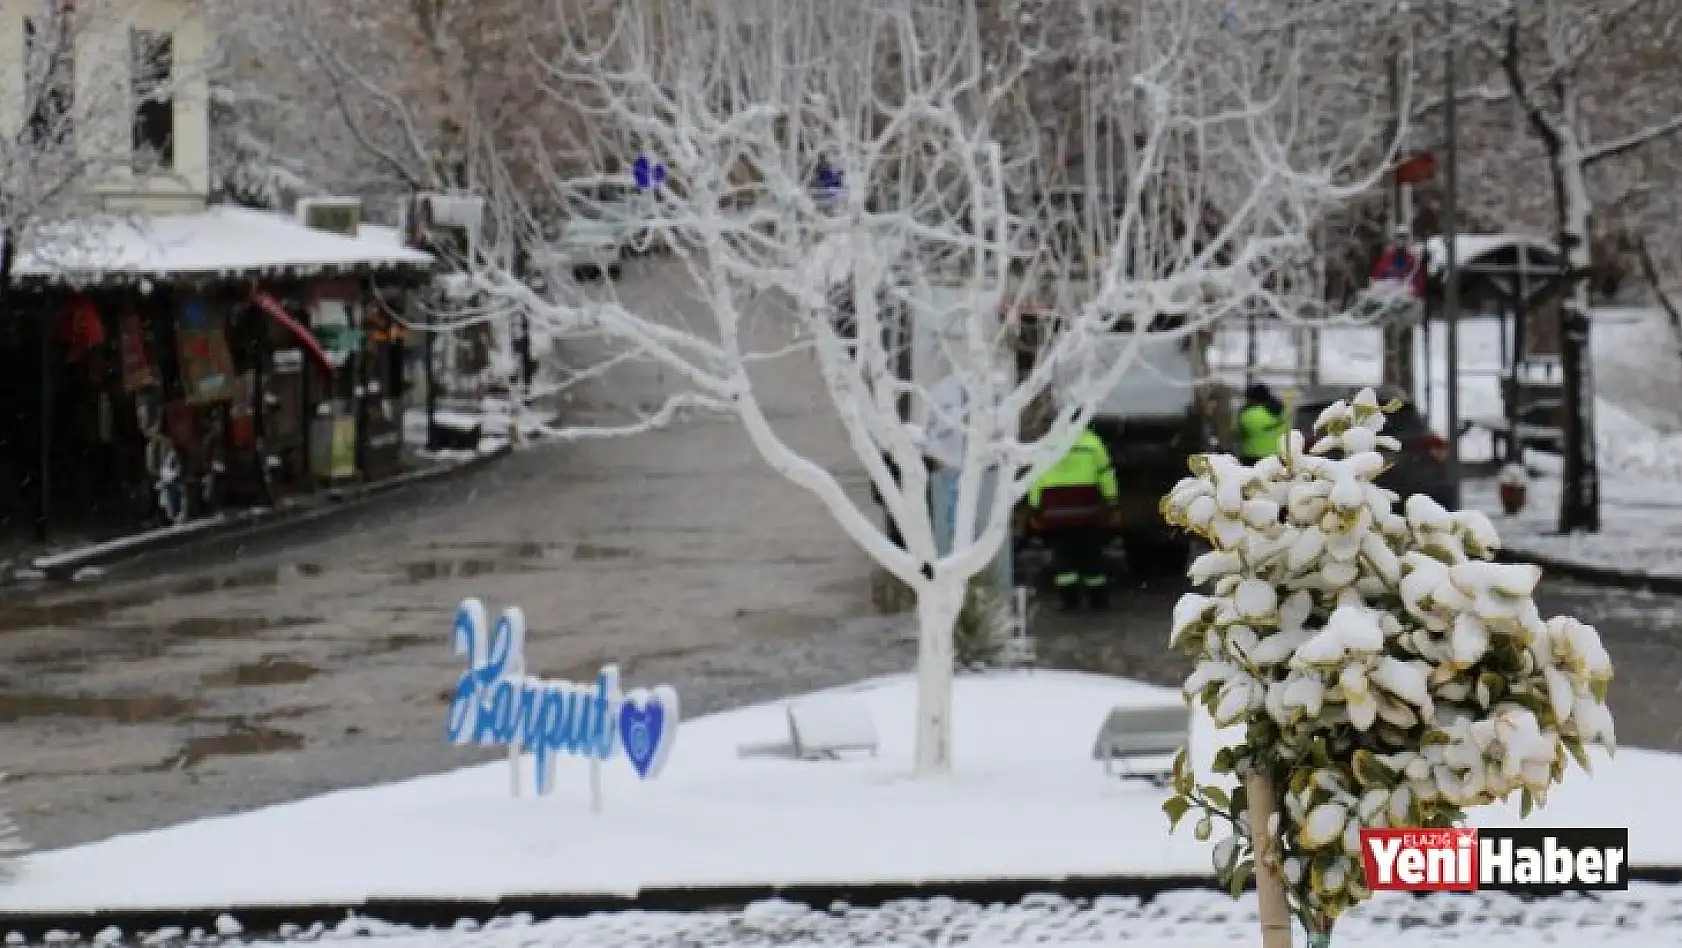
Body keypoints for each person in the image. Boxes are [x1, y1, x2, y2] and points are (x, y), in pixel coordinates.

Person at [1028, 426, 1119, 610]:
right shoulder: (1092, 442)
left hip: (1056, 511)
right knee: (1091, 554)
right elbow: (1105, 473)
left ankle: (1070, 601)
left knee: (1063, 555)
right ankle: (1098, 600)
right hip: (1086, 508)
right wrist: (1112, 502)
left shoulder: (1047, 444)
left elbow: (1036, 478)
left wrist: (1035, 507)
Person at [1237, 382, 1290, 464]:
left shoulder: (1248, 414)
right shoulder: (1281, 411)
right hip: (1278, 457)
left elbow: (1238, 432)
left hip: (1253, 457)